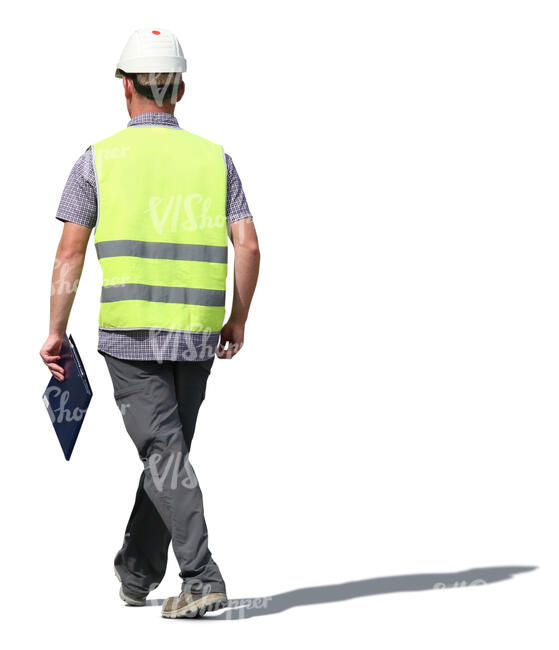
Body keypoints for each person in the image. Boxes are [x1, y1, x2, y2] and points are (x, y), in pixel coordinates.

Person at [39, 28, 260, 619]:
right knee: (170, 454)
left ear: (126, 88)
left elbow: (69, 254)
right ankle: (137, 571)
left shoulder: (98, 159)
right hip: (195, 332)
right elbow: (250, 245)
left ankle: (201, 576)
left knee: (164, 454)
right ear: (180, 90)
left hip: (130, 335)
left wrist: (56, 329)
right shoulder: (217, 159)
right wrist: (237, 318)